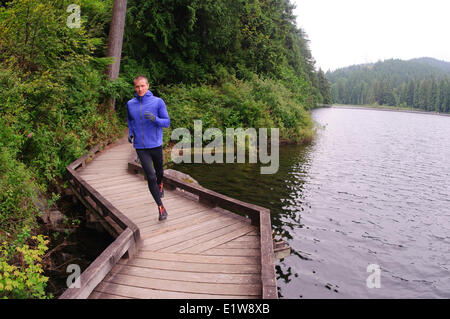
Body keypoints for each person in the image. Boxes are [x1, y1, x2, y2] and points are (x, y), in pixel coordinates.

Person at [126, 75, 170, 221]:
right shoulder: (130, 104)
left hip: (155, 144)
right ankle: (161, 208)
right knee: (150, 176)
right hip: (140, 146)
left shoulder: (158, 102)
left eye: (142, 86)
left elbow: (167, 122)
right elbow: (130, 120)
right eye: (137, 86)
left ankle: (161, 183)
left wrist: (155, 119)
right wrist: (131, 133)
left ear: (148, 85)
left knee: (159, 172)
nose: (140, 89)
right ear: (134, 87)